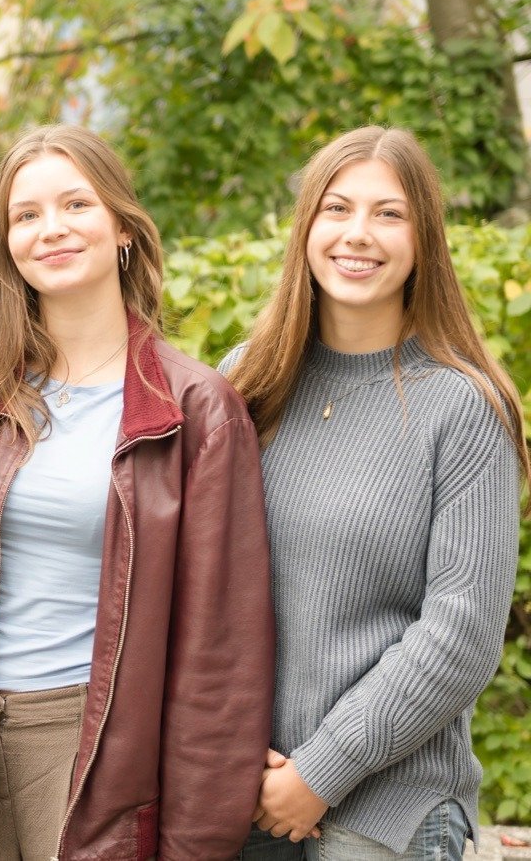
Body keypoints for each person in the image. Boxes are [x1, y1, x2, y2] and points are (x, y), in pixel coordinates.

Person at [0, 123, 275, 861]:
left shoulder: (196, 410)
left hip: (93, 758)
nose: (52, 229)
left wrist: (196, 845)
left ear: (123, 227)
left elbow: (220, 658)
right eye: (27, 214)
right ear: (5, 241)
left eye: (76, 204)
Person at [224, 126, 528, 860]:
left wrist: (320, 772)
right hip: (239, 793)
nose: (358, 233)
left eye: (389, 214)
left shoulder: (463, 407)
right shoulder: (246, 382)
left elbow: (460, 633)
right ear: (306, 228)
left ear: (425, 240)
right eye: (337, 208)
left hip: (389, 812)